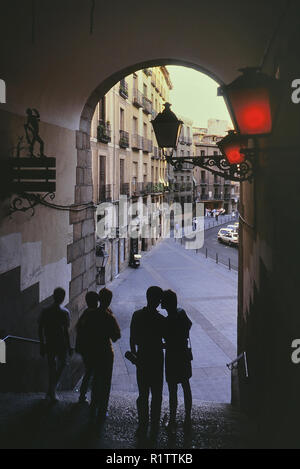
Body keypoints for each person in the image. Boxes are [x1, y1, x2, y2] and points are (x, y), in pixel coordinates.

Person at [76, 288, 121, 426]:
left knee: (95, 381)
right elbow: (116, 337)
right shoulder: (109, 316)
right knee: (105, 382)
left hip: (93, 351)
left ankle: (93, 408)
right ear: (109, 300)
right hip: (106, 352)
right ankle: (102, 410)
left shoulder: (90, 314)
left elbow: (81, 329)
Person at [130, 286, 165, 440]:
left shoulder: (137, 315)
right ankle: (155, 422)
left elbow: (132, 338)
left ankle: (143, 422)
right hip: (156, 358)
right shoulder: (160, 319)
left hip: (142, 357)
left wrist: (135, 355)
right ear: (157, 301)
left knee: (143, 393)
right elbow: (167, 339)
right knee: (157, 393)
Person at [161, 290, 193, 434]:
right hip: (183, 355)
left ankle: (173, 418)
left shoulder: (166, 322)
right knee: (186, 385)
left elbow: (166, 340)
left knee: (172, 389)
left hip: (172, 357)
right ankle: (188, 417)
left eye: (163, 300)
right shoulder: (182, 313)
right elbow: (189, 326)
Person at [38, 287, 72, 403]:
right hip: (61, 343)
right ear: (62, 298)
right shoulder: (64, 312)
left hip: (49, 342)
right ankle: (52, 389)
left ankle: (51, 390)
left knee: (51, 366)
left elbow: (40, 329)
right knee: (62, 365)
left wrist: (42, 344)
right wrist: (69, 346)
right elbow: (66, 332)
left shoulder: (45, 311)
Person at [75, 291, 99, 403]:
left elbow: (78, 329)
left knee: (89, 372)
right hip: (92, 349)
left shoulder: (86, 313)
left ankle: (83, 395)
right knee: (91, 372)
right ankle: (85, 395)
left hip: (85, 349)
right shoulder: (93, 314)